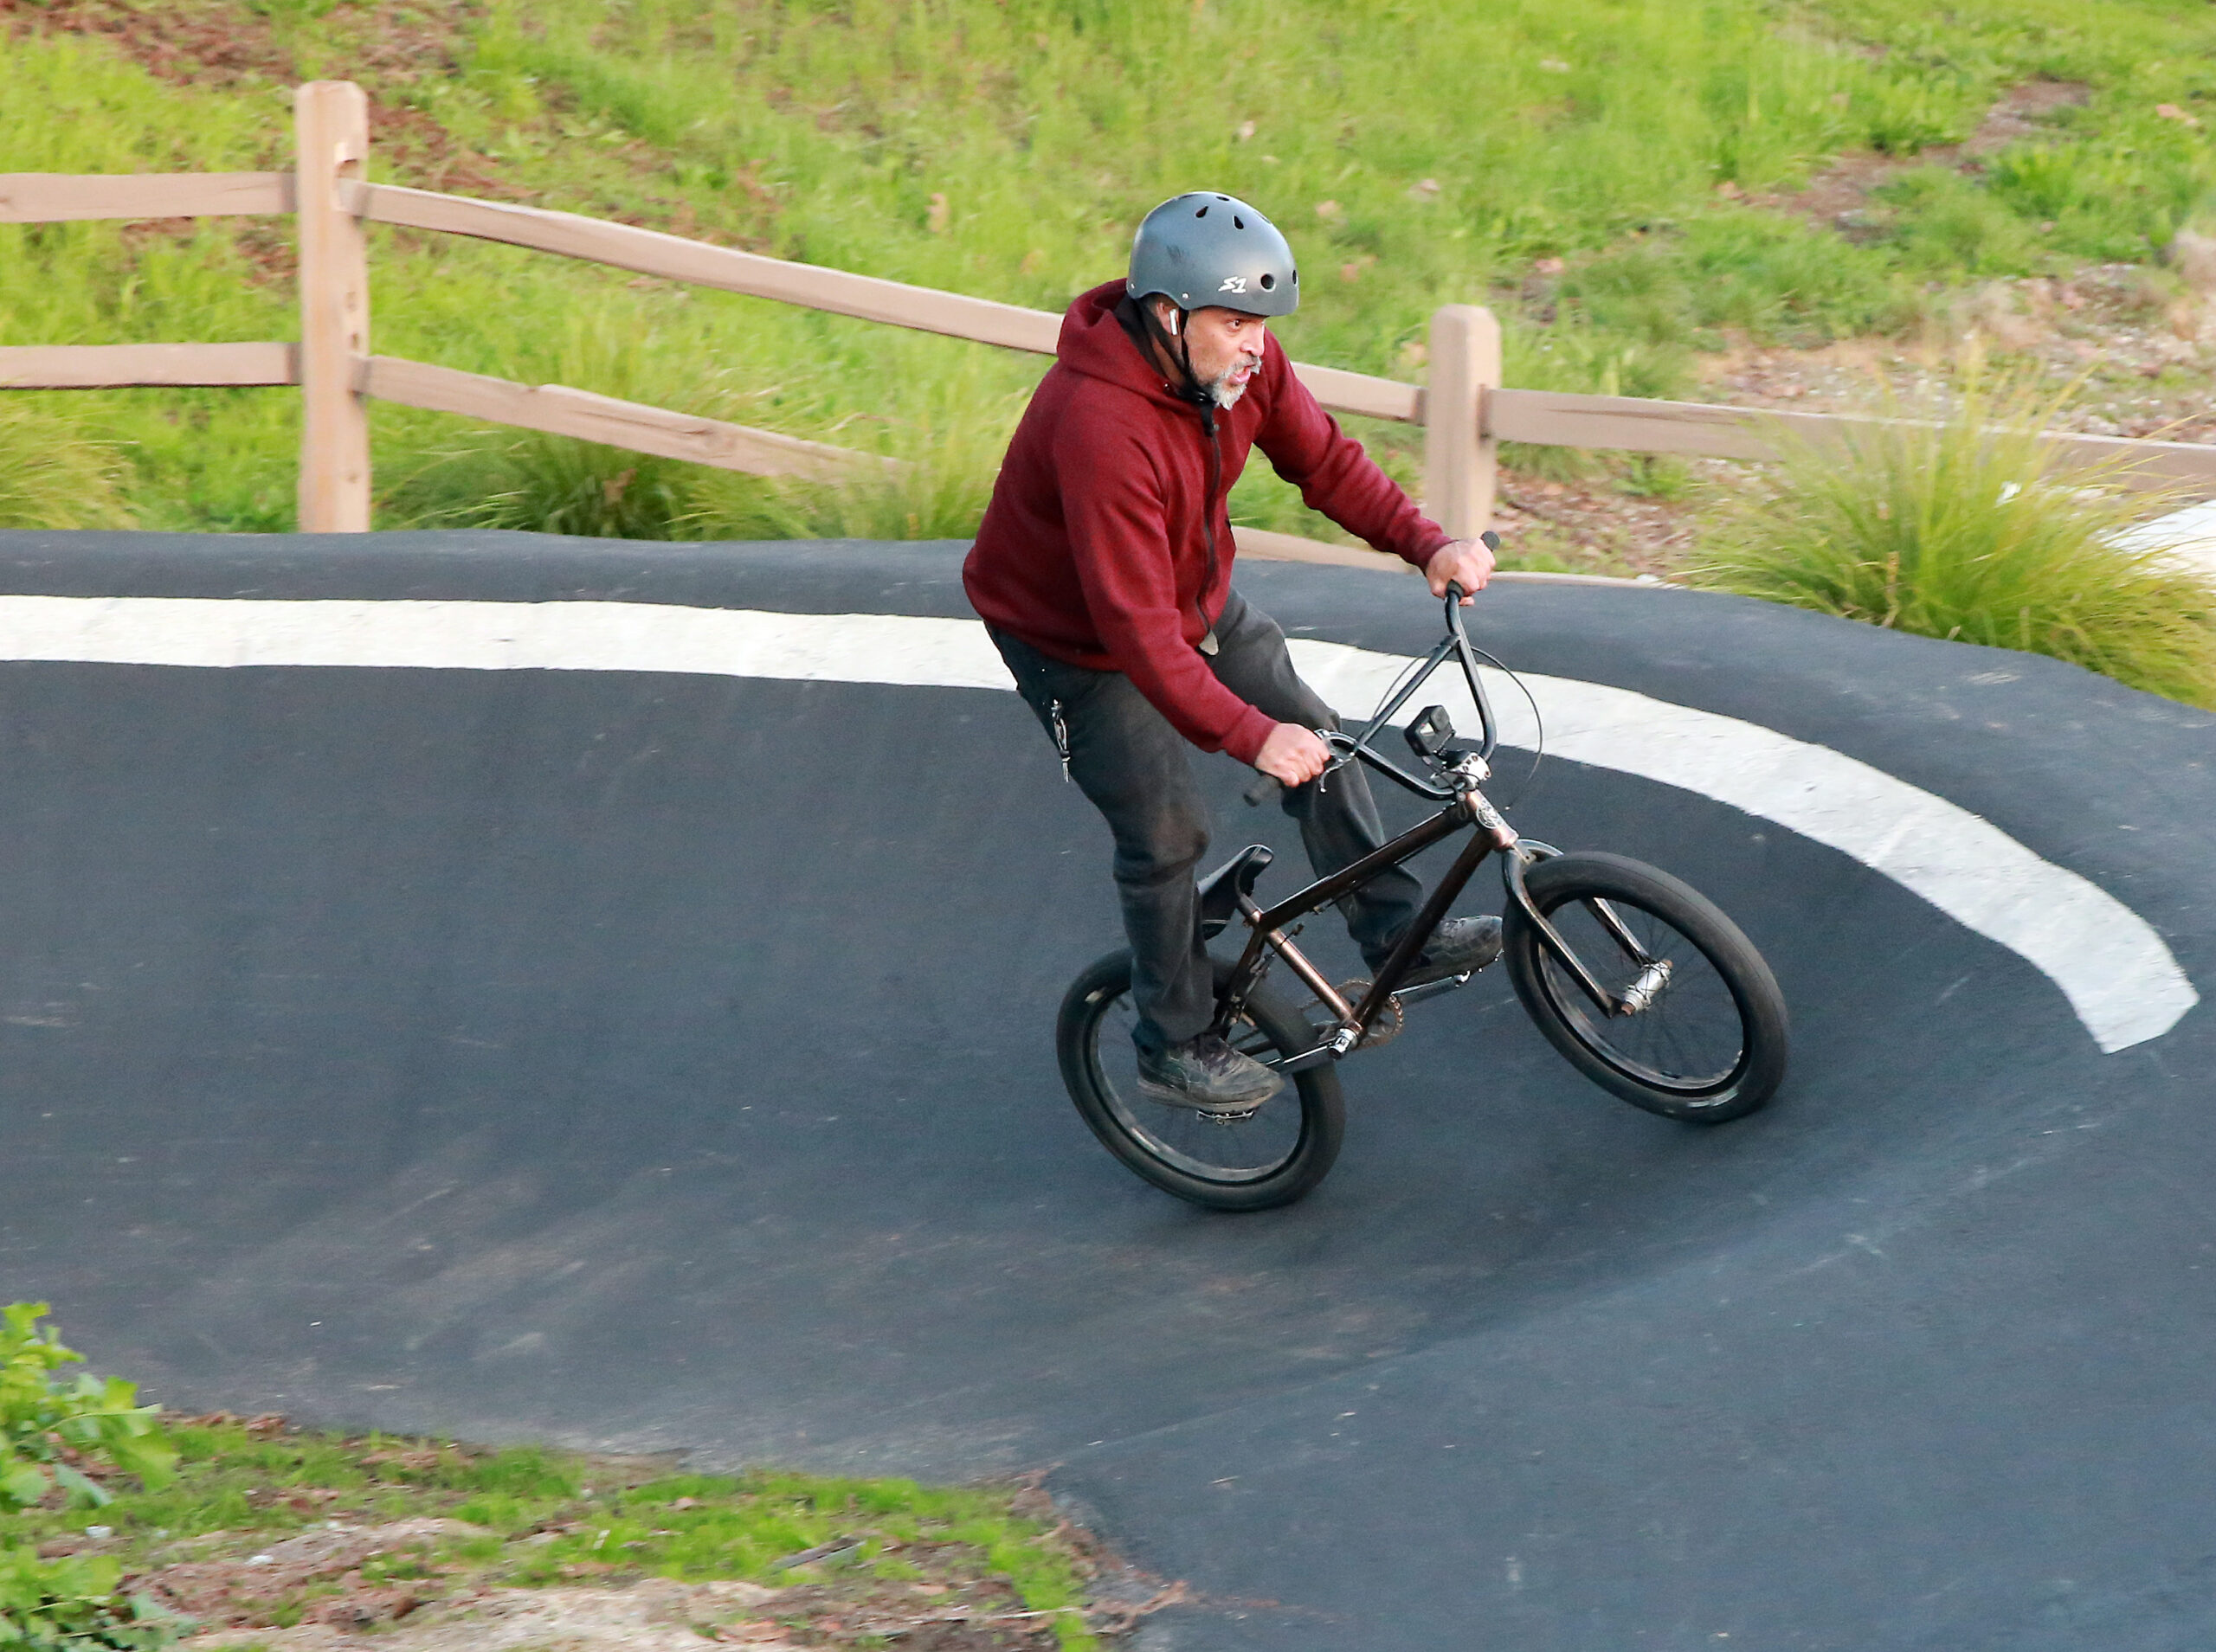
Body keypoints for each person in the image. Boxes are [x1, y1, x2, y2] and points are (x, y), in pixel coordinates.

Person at [964, 190, 1500, 1114]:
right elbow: (1132, 629)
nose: (1254, 344)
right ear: (1168, 317)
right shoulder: (1099, 423)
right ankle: (1171, 1042)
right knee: (1167, 833)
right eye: (1233, 322)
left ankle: (1393, 929)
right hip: (1072, 647)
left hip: (1193, 603)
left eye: (1261, 324)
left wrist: (1429, 542)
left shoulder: (1236, 369)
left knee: (1322, 741)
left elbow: (1324, 462)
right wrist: (1248, 735)